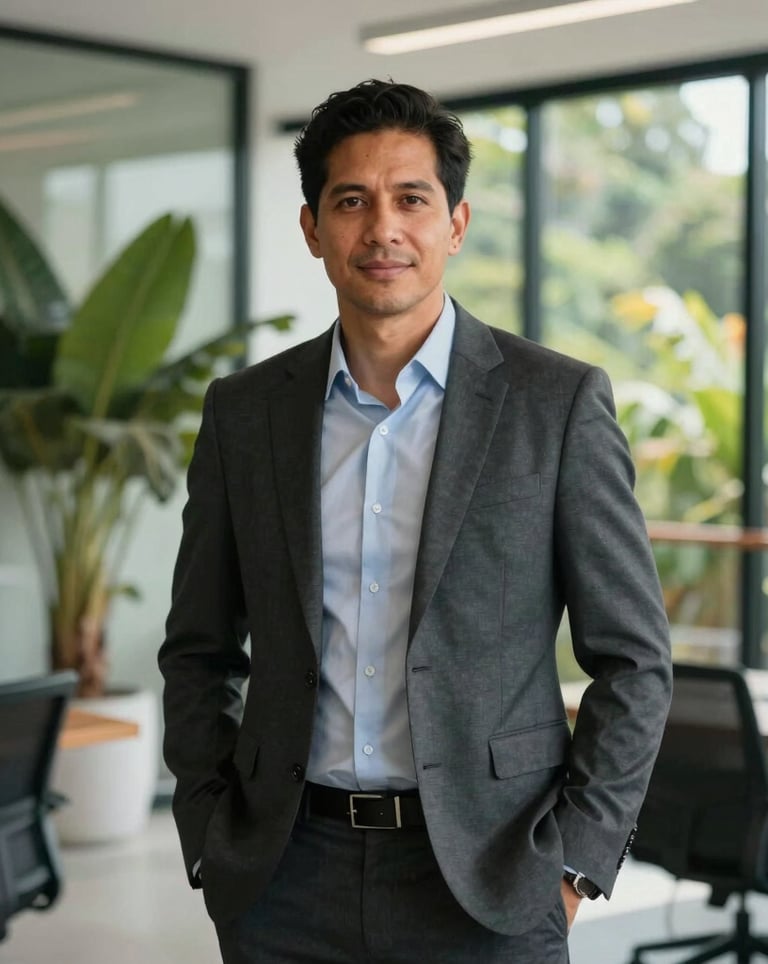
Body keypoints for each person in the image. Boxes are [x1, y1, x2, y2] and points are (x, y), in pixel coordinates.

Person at [159, 78, 672, 964]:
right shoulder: (245, 413)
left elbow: (634, 659)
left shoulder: (555, 404)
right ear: (313, 228)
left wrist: (574, 865)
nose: (382, 228)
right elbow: (199, 647)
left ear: (456, 224)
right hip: (283, 877)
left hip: (492, 877)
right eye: (351, 201)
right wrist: (209, 827)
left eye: (411, 199)